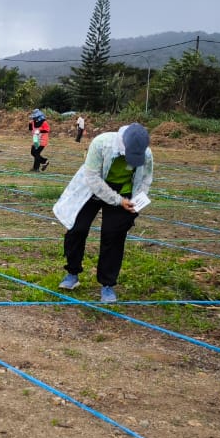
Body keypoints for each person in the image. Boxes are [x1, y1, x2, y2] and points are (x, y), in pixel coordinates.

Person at [53, 123, 153, 303]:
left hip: (124, 192)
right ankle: (72, 273)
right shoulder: (101, 143)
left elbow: (146, 178)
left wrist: (137, 199)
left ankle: (107, 284)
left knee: (113, 235)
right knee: (77, 229)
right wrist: (116, 200)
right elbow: (93, 178)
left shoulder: (146, 153)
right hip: (94, 188)